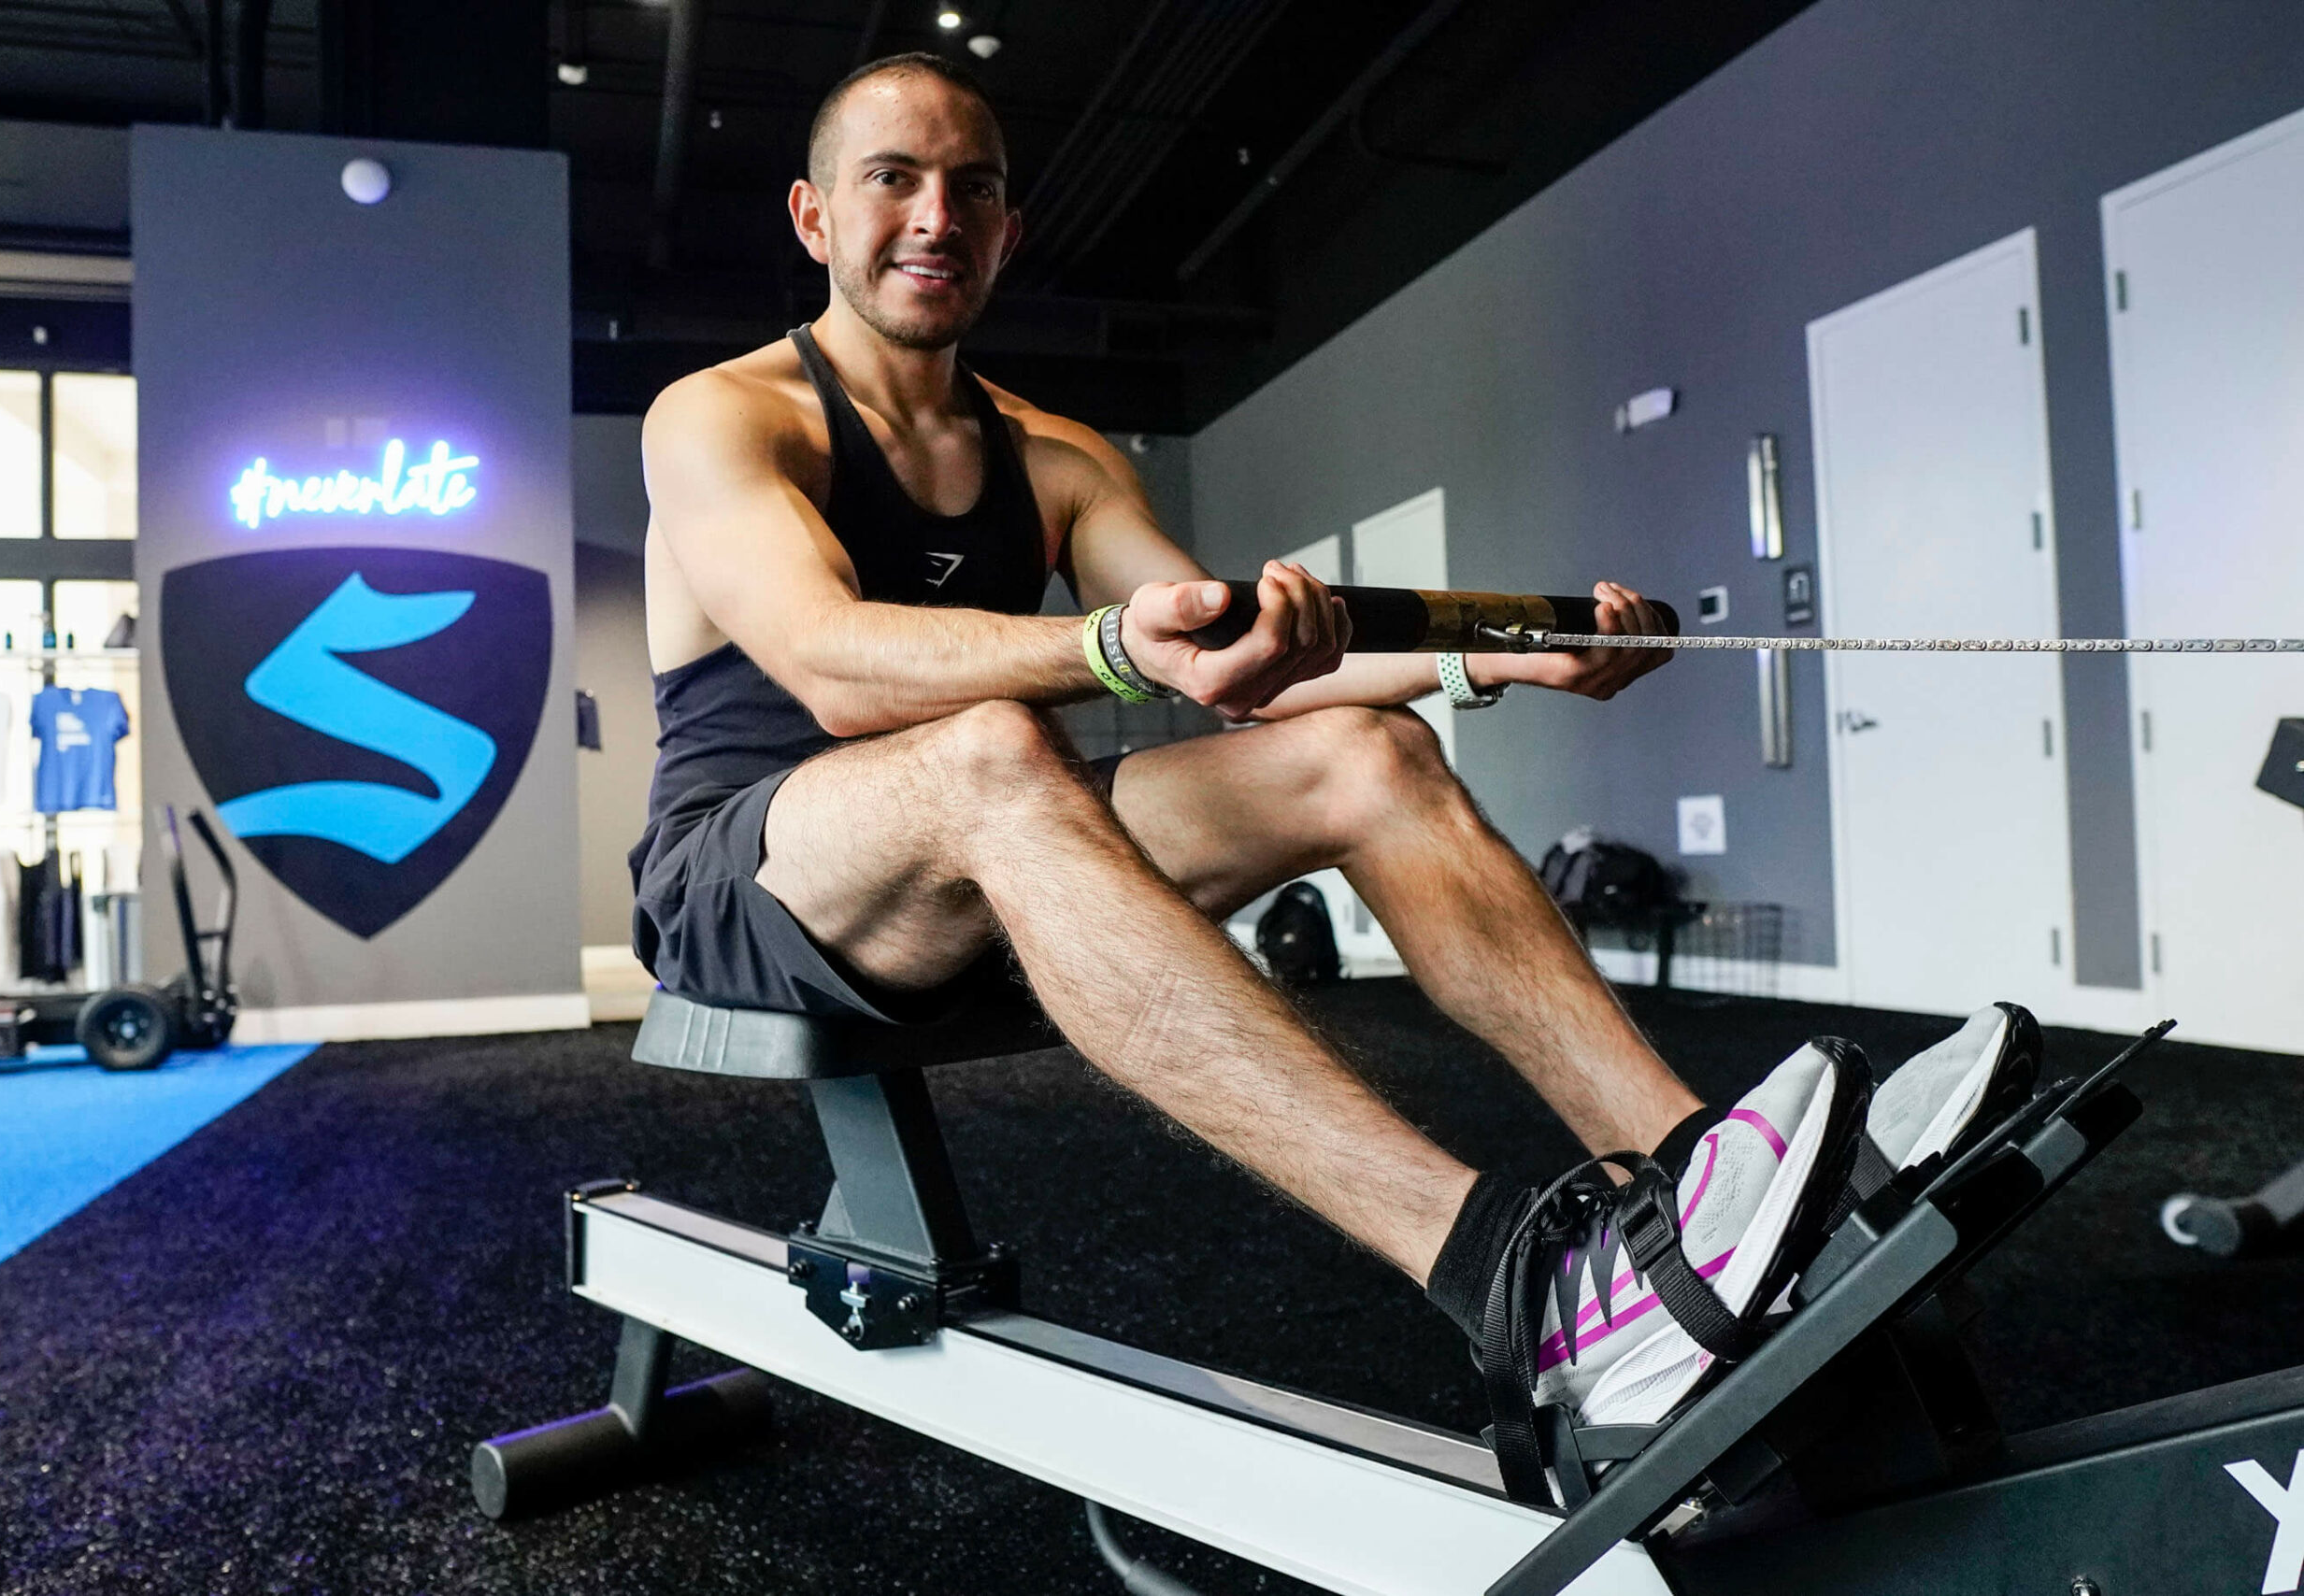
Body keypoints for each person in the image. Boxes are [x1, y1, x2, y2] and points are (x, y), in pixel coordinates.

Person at [629, 51, 2029, 1457]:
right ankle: (1519, 1291)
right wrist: (1117, 646)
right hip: (745, 878)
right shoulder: (727, 415)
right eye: (895, 180)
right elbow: (828, 663)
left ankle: (1712, 1184)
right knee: (994, 750)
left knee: (1364, 751)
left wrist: (1500, 656)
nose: (936, 215)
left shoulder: (1055, 455)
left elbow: (1242, 668)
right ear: (816, 218)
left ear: (1008, 230)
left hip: (996, 844)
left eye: (972, 188)